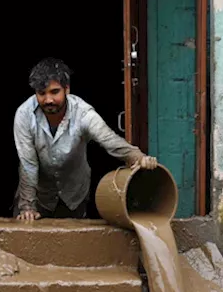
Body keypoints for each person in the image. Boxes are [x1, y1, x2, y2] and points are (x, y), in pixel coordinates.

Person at [13, 58, 157, 221]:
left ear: (67, 89)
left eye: (54, 92)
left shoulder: (83, 113)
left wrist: (138, 157)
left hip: (74, 195)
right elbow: (28, 164)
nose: (48, 100)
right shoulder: (24, 115)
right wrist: (27, 207)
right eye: (41, 93)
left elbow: (108, 139)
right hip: (37, 195)